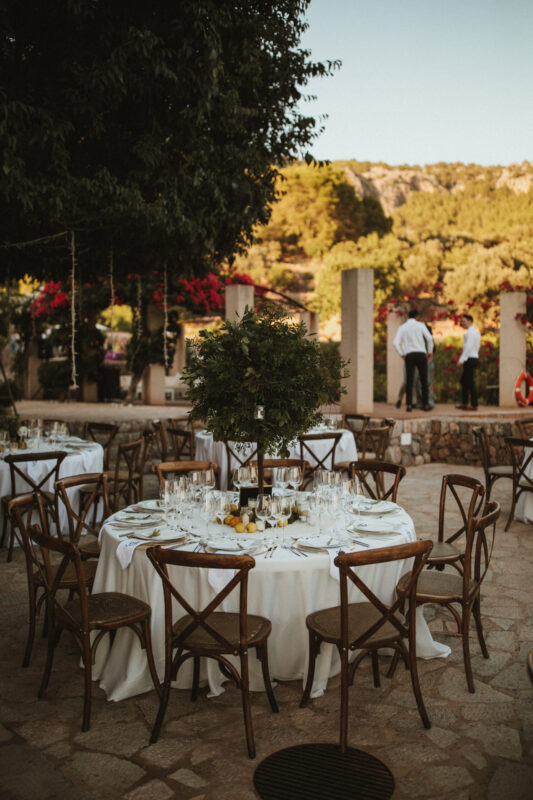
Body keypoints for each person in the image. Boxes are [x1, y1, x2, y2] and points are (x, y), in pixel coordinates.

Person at [393, 309, 434, 412]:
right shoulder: (420, 325)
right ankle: (425, 404)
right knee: (424, 380)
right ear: (417, 316)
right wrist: (429, 351)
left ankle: (409, 405)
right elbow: (429, 338)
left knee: (409, 380)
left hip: (409, 355)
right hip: (421, 354)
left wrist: (402, 353)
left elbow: (395, 343)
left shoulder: (402, 327)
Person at [457, 313, 481, 410]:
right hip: (473, 357)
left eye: (464, 321)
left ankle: (474, 404)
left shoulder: (470, 333)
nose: (462, 323)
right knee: (464, 381)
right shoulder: (476, 332)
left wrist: (461, 360)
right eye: (462, 321)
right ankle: (465, 402)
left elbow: (468, 348)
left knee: (470, 382)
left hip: (470, 358)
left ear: (470, 321)